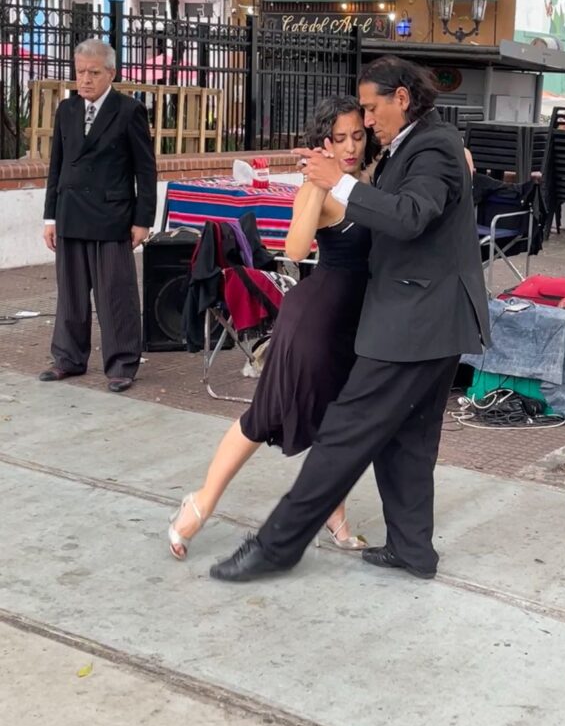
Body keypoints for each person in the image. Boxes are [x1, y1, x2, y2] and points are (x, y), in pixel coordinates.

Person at [210, 55, 490, 584]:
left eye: (370, 107)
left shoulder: (434, 145)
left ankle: (276, 546)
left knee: (342, 433)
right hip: (425, 318)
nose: (367, 121)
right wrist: (332, 175)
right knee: (407, 438)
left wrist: (338, 182)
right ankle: (412, 551)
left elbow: (409, 216)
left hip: (416, 320)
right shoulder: (420, 144)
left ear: (401, 98)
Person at [167, 95, 374, 559]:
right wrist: (319, 186)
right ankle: (200, 502)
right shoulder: (317, 188)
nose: (350, 147)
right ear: (322, 141)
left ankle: (334, 513)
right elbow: (296, 249)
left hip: (355, 327)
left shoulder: (365, 183)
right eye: (339, 138)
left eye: (357, 136)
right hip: (313, 324)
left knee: (340, 423)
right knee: (262, 419)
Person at [40, 39, 156, 393]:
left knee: (114, 293)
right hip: (70, 212)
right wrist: (50, 218)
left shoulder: (128, 111)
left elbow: (145, 170)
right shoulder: (67, 110)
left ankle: (121, 364)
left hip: (112, 215)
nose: (85, 79)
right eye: (80, 72)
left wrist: (142, 219)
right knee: (71, 293)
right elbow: (56, 166)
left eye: (93, 72)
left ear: (111, 73)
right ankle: (68, 358)